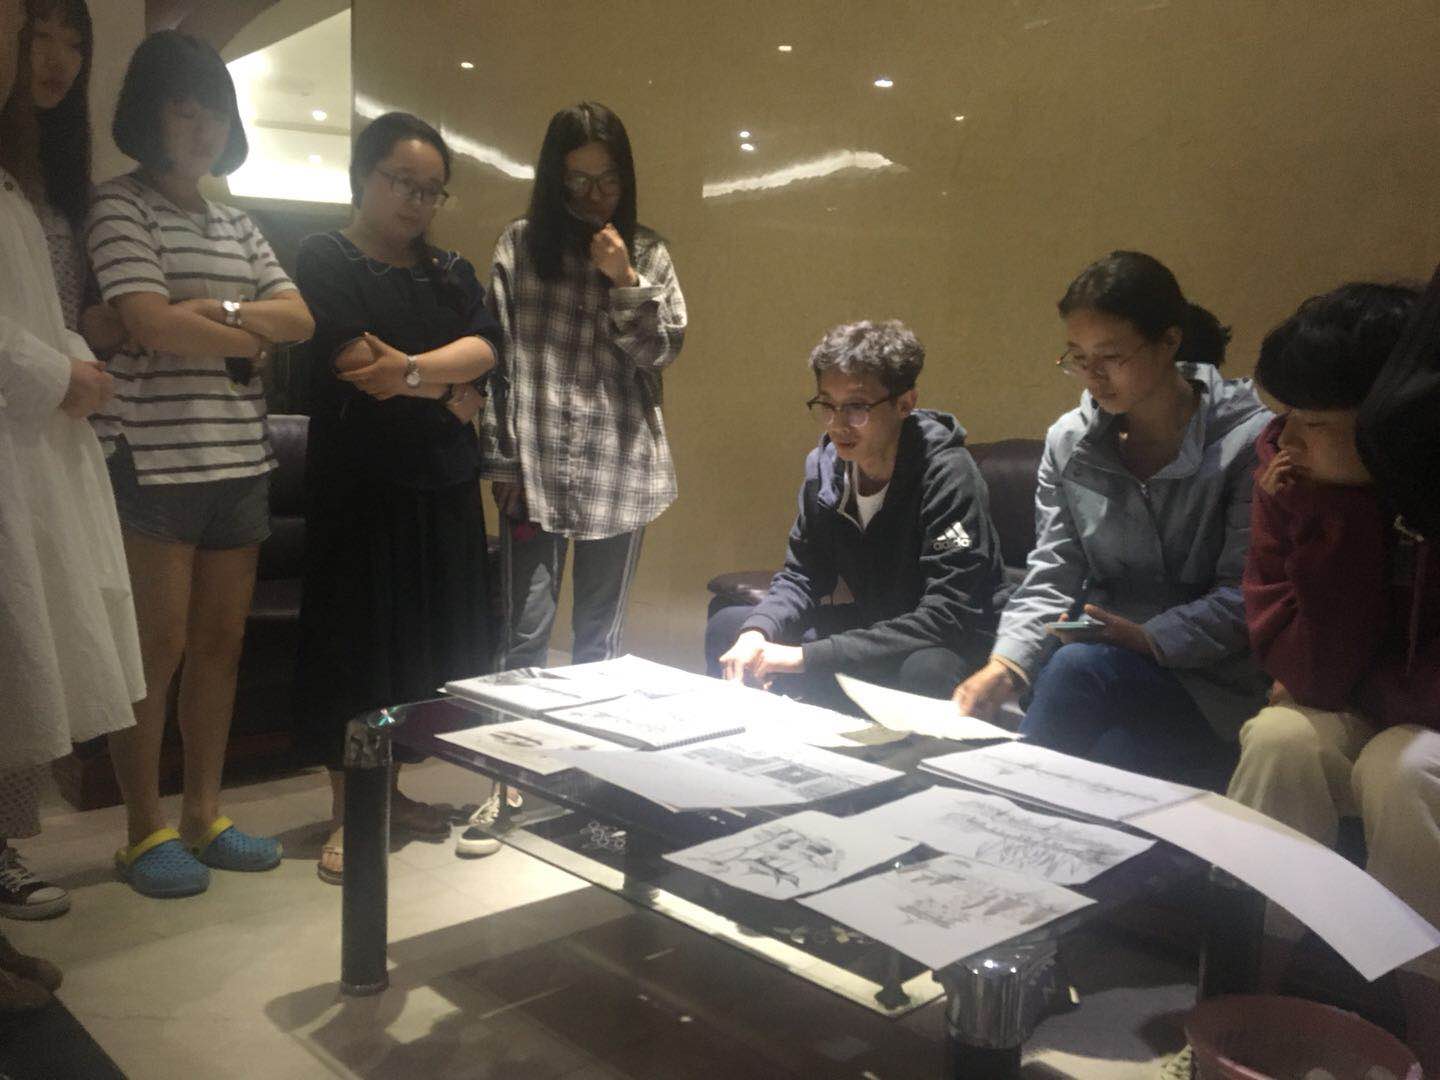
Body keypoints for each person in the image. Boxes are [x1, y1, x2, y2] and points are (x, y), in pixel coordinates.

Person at [87, 31, 314, 898]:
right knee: (158, 648)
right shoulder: (119, 206)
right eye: (184, 110)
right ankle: (142, 828)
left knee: (220, 644)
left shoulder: (236, 220)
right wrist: (241, 328)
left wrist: (208, 309)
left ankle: (204, 815)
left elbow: (298, 318)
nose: (202, 128)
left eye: (214, 112)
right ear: (149, 116)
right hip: (153, 459)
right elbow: (147, 321)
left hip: (238, 459)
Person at [954, 251, 1272, 788]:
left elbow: (1246, 594)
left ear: (1169, 341)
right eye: (1077, 357)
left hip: (1212, 682)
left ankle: (994, 801)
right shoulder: (1071, 441)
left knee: (1081, 679)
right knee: (1099, 740)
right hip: (1101, 660)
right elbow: (1054, 571)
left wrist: (1147, 638)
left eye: (1111, 356)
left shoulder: (1247, 441)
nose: (1092, 376)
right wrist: (1004, 667)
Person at [294, 112, 502, 884]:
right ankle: (351, 810)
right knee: (356, 644)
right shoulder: (325, 256)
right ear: (364, 176)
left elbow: (486, 347)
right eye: (403, 184)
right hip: (360, 484)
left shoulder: (450, 270)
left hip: (442, 482)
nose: (417, 202)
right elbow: (356, 362)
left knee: (425, 645)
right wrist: (442, 387)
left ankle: (393, 792)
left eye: (432, 190)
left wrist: (409, 373)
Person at [1226, 282, 1438, 967]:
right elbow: (1305, 669)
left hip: (1418, 725)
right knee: (1279, 740)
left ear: (1392, 419)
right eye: (1284, 415)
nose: (1286, 438)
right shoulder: (1291, 480)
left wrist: (1342, 689)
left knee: (1403, 768)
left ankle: (1423, 1008)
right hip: (1361, 698)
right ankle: (1245, 983)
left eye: (1314, 422)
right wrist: (1333, 518)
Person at [0, 0, 140, 1005]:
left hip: (40, 447)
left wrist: (79, 359)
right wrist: (59, 371)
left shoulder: (50, 176)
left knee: (24, 661)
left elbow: (46, 310)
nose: (56, 58)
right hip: (23, 432)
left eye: (72, 41)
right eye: (36, 35)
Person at [481, 101, 685, 670]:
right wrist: (502, 463)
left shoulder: (648, 253)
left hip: (618, 470)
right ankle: (511, 730)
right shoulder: (520, 247)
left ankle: (591, 734)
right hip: (534, 469)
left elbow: (661, 351)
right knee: (523, 637)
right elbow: (497, 361)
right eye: (579, 179)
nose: (596, 195)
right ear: (555, 177)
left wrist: (625, 279)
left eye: (609, 178)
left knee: (600, 645)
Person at [707, 320, 1005, 708]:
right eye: (827, 405)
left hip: (950, 640)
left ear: (905, 403)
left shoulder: (948, 473)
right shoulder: (825, 470)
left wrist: (804, 658)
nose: (838, 424)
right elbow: (803, 575)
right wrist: (757, 633)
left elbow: (948, 614)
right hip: (874, 626)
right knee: (731, 626)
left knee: (925, 669)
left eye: (857, 407)